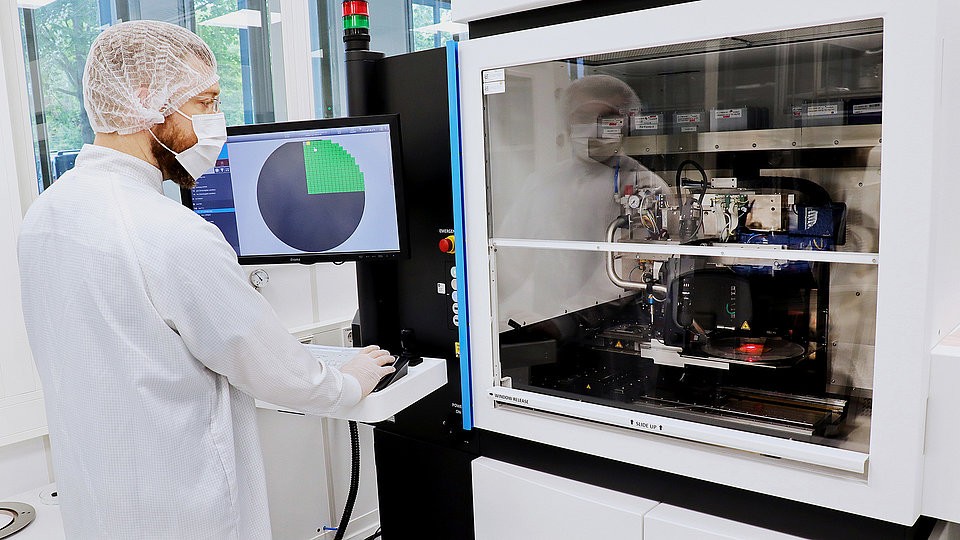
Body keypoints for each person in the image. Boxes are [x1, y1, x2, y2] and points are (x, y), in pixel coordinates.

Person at [17, 20, 393, 539]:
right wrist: (350, 378)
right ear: (147, 100)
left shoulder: (46, 213)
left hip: (98, 504)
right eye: (206, 102)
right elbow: (279, 374)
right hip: (182, 513)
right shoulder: (170, 233)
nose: (216, 123)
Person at [495, 75, 671, 335]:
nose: (593, 128)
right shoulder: (541, 183)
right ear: (567, 126)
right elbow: (509, 261)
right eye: (583, 118)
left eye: (606, 118)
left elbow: (637, 271)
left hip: (618, 336)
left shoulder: (647, 187)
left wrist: (566, 321)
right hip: (543, 331)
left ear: (625, 125)